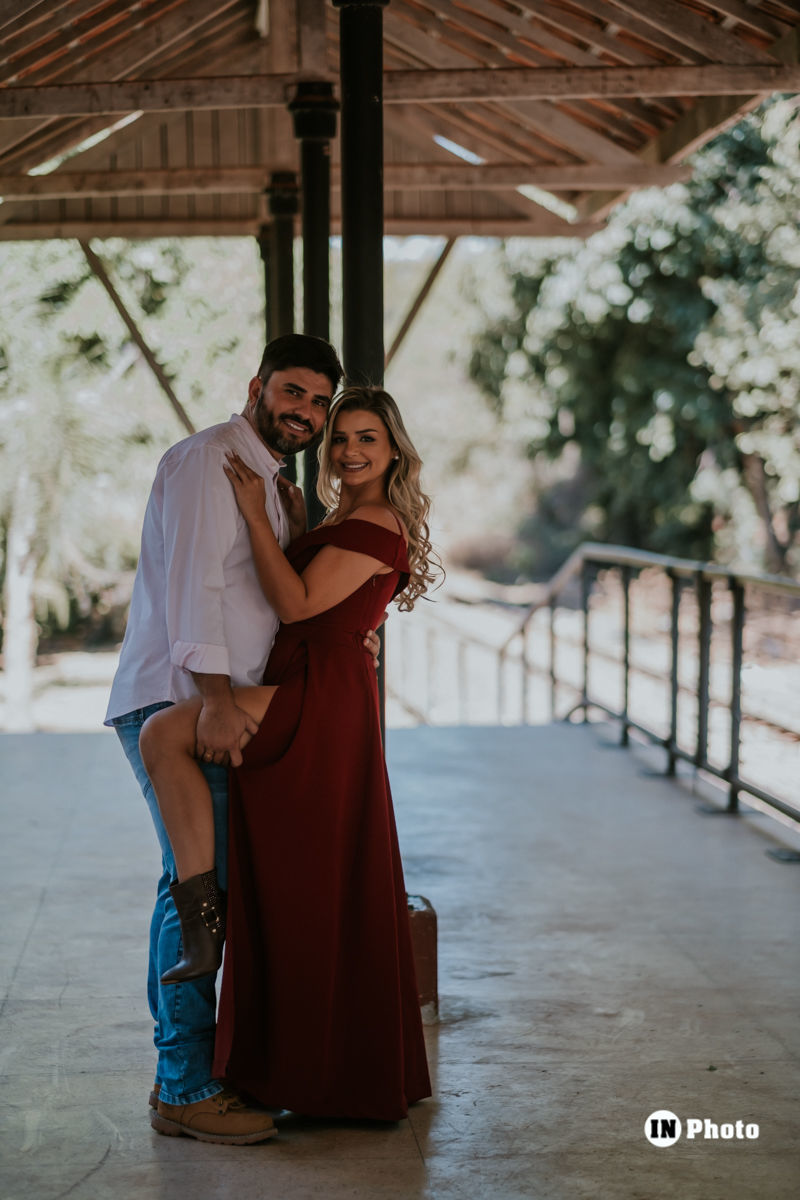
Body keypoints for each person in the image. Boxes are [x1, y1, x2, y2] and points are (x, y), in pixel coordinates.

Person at [105, 335, 379, 1145]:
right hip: (183, 699)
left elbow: (280, 597)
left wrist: (348, 639)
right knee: (195, 889)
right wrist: (218, 700)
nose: (304, 411)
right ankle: (183, 1087)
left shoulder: (269, 481)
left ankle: (199, 1076)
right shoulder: (204, 463)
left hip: (229, 706)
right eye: (291, 392)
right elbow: (195, 586)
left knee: (214, 888)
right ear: (257, 386)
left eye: (318, 403)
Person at [139, 386, 439, 1123]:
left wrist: (254, 517)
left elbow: (301, 606)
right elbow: (334, 607)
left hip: (322, 693)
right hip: (313, 677)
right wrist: (297, 527)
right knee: (303, 883)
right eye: (340, 438)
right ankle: (285, 1048)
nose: (349, 451)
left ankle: (199, 906)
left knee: (163, 734)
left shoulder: (376, 519)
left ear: (393, 448)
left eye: (367, 438)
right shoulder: (342, 516)